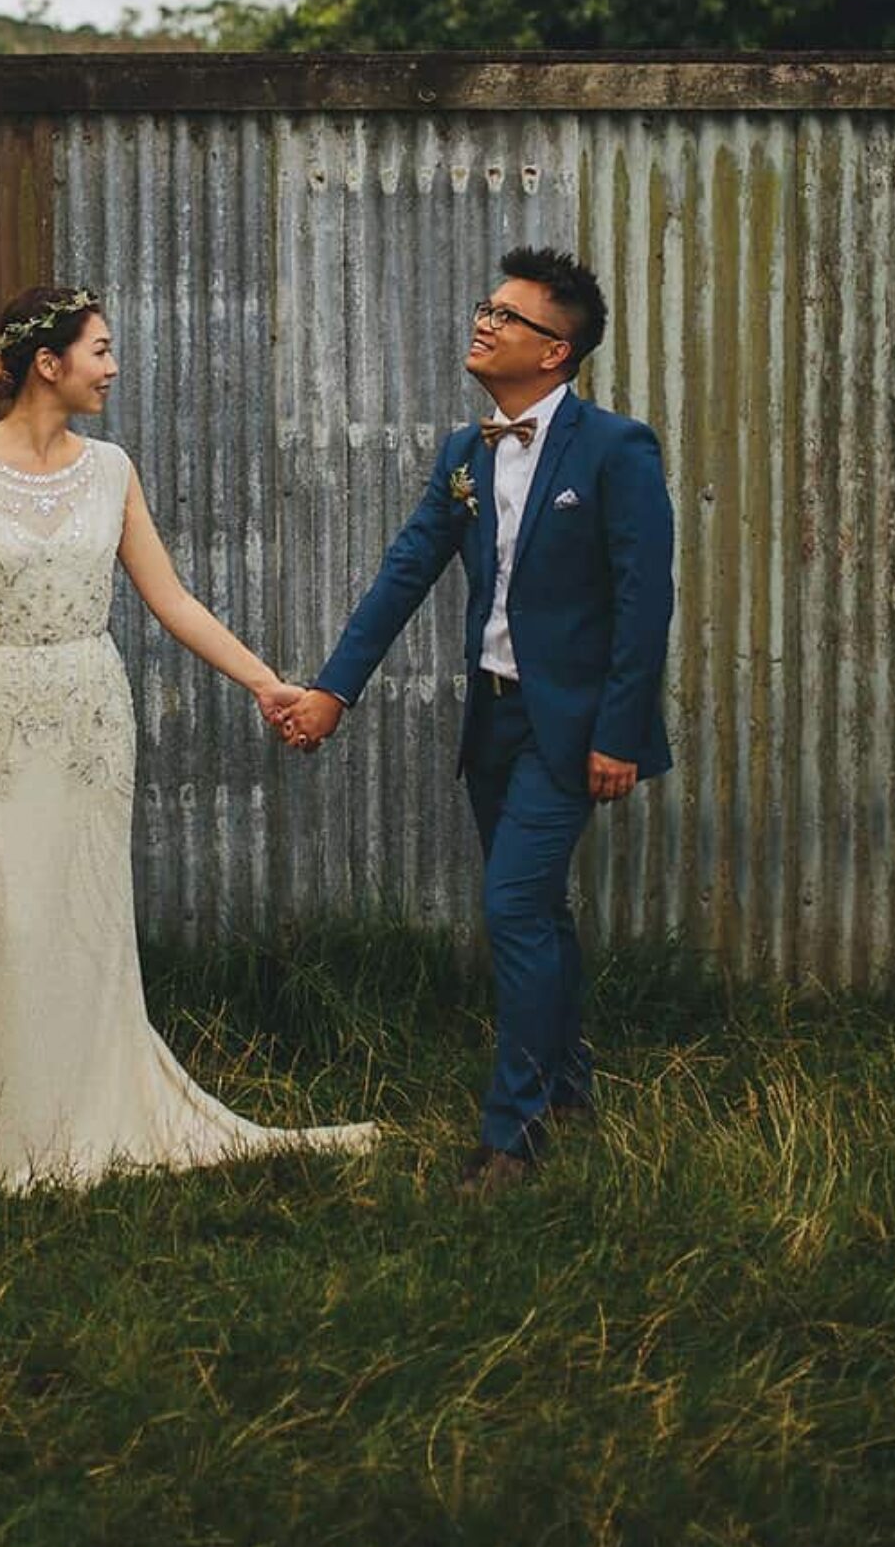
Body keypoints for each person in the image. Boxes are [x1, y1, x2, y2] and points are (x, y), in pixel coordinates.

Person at [0, 285, 376, 1193]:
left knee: (88, 925)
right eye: (101, 351)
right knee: (18, 925)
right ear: (50, 362)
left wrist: (266, 681)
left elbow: (174, 600)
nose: (113, 369)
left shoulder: (110, 470)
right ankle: (30, 1152)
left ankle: (100, 1125)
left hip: (88, 718)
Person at [281, 247, 674, 1194]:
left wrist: (619, 734)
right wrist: (334, 689)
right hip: (492, 724)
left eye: (508, 315)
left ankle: (516, 1137)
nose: (484, 323)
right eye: (486, 308)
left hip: (570, 730)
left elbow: (643, 600)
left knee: (510, 912)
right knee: (538, 910)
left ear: (556, 352)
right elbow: (404, 574)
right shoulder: (466, 454)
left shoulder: (616, 449)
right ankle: (569, 1086)